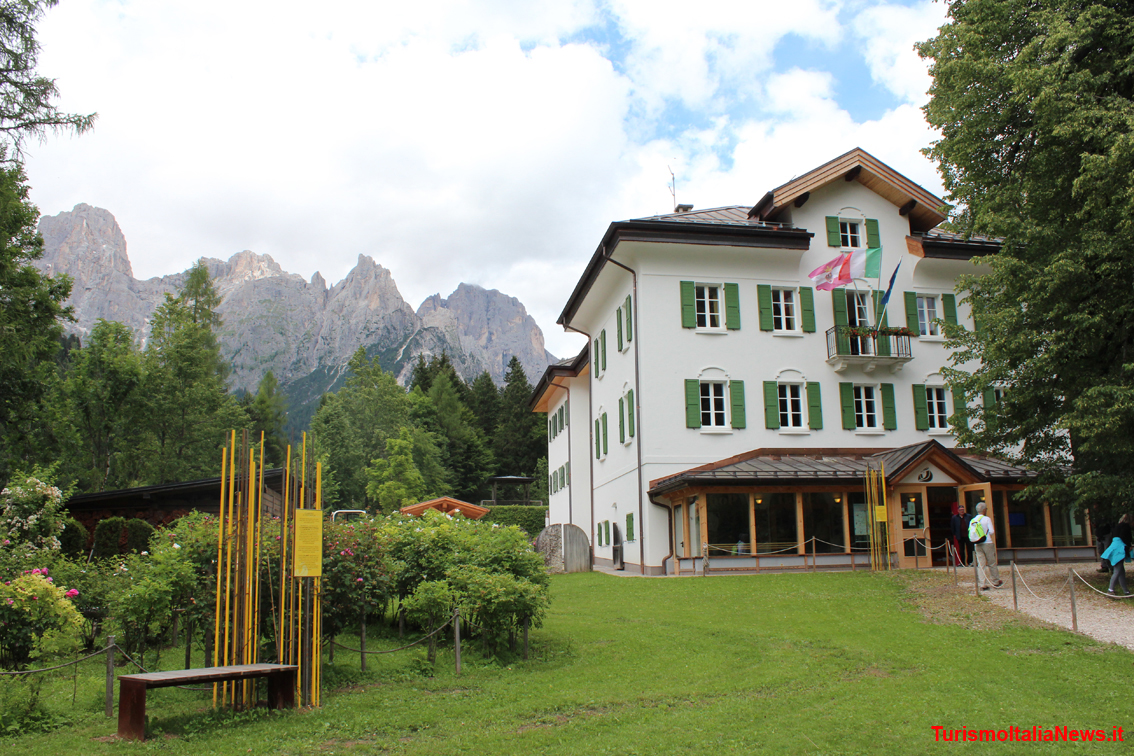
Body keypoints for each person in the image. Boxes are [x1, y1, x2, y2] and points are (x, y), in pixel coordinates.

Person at [969, 502, 1002, 590]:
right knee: (991, 563)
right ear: (984, 510)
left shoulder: (973, 520)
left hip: (977, 544)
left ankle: (982, 583)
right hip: (987, 542)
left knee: (981, 564)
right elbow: (991, 531)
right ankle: (995, 581)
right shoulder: (987, 519)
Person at [1103, 514, 1132, 596]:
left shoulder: (1117, 527)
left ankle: (1126, 590)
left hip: (1114, 547)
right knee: (1117, 570)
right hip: (1119, 549)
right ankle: (1110, 589)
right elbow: (1124, 537)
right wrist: (1129, 545)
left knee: (1121, 571)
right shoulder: (1126, 527)